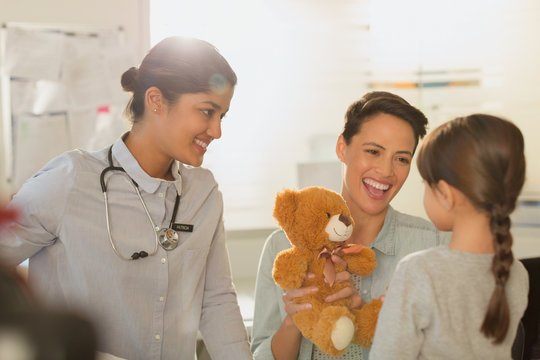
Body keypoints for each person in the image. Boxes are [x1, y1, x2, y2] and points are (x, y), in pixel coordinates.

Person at [0, 36, 252, 360]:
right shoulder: (70, 181)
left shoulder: (204, 195)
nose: (216, 131)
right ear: (156, 100)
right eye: (207, 112)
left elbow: (216, 301)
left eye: (222, 116)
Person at [251, 91, 451, 360]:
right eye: (373, 151)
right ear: (341, 148)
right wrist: (293, 321)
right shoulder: (281, 246)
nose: (386, 171)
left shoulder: (432, 245)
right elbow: (261, 354)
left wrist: (378, 316)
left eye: (401, 158)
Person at [370, 114, 529, 359]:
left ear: (445, 194)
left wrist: (390, 318)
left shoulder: (419, 271)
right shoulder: (515, 273)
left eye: (426, 183)